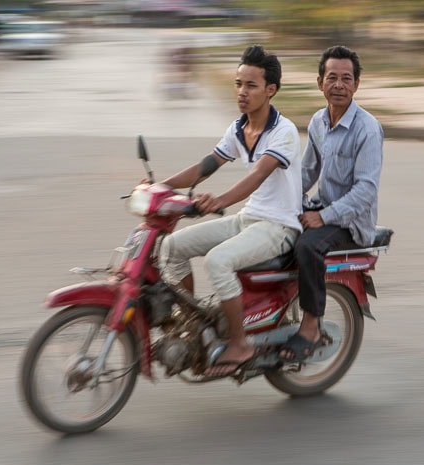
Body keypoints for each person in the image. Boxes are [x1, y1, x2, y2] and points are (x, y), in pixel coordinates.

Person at [159, 45, 302, 377]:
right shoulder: (239, 128)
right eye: (238, 84)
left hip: (278, 227)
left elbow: (258, 174)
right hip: (249, 220)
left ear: (271, 90)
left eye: (251, 85)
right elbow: (206, 166)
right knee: (171, 247)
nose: (242, 92)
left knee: (218, 261)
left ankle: (240, 344)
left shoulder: (284, 132)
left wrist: (220, 201)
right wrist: (160, 188)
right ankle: (191, 324)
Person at [278, 45, 384, 362]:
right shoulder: (318, 122)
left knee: (308, 246)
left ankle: (311, 326)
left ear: (356, 84)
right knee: (273, 231)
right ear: (320, 82)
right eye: (332, 77)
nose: (339, 85)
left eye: (346, 79)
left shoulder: (367, 129)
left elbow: (366, 189)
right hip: (324, 210)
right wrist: (284, 201)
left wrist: (322, 217)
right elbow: (308, 170)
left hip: (351, 222)